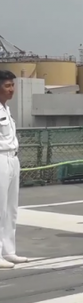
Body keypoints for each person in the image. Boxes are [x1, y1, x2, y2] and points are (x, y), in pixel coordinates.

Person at [0, 70, 24, 269]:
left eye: (12, 85)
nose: (11, 90)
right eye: (7, 86)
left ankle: (9, 251)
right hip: (0, 159)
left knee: (11, 209)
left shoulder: (6, 109)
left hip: (13, 159)